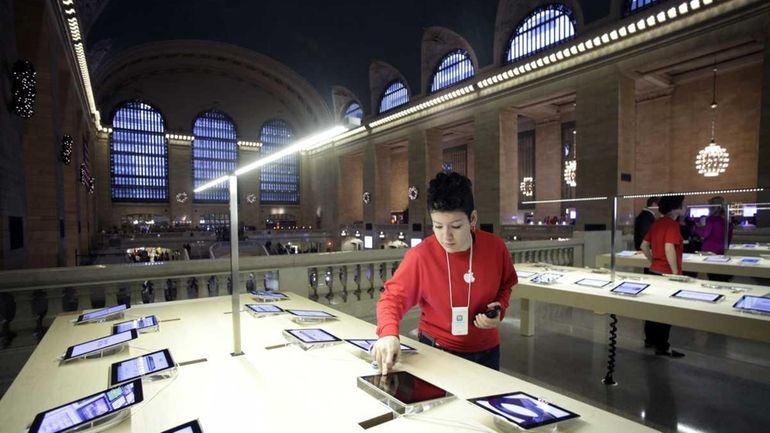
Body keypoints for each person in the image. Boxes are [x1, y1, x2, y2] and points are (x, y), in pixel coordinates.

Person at [372, 172, 518, 373]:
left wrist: (500, 308)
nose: (446, 236)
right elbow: (392, 298)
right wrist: (388, 334)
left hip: (487, 352)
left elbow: (507, 284)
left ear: (472, 218)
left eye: (456, 226)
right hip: (436, 350)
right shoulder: (421, 256)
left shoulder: (495, 248)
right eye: (438, 226)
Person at [640, 195, 686, 358]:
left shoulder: (657, 223)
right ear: (676, 208)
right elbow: (669, 247)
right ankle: (663, 346)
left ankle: (650, 339)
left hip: (654, 271)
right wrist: (674, 273)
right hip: (667, 273)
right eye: (682, 206)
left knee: (653, 308)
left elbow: (644, 245)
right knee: (666, 311)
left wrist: (653, 261)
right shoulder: (672, 225)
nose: (684, 208)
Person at [693, 196, 732, 282]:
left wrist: (695, 229)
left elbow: (705, 235)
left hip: (709, 251)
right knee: (720, 276)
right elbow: (729, 238)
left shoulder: (711, 220)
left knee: (713, 276)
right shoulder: (727, 221)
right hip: (721, 251)